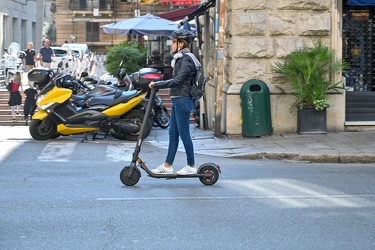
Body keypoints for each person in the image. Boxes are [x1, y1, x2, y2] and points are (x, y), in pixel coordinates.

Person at [148, 29, 199, 175]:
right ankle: (167, 165)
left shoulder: (186, 59)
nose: (171, 45)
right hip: (178, 99)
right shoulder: (181, 58)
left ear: (181, 43)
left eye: (174, 42)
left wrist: (157, 84)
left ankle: (191, 165)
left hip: (183, 100)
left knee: (184, 134)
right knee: (173, 134)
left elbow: (178, 81)